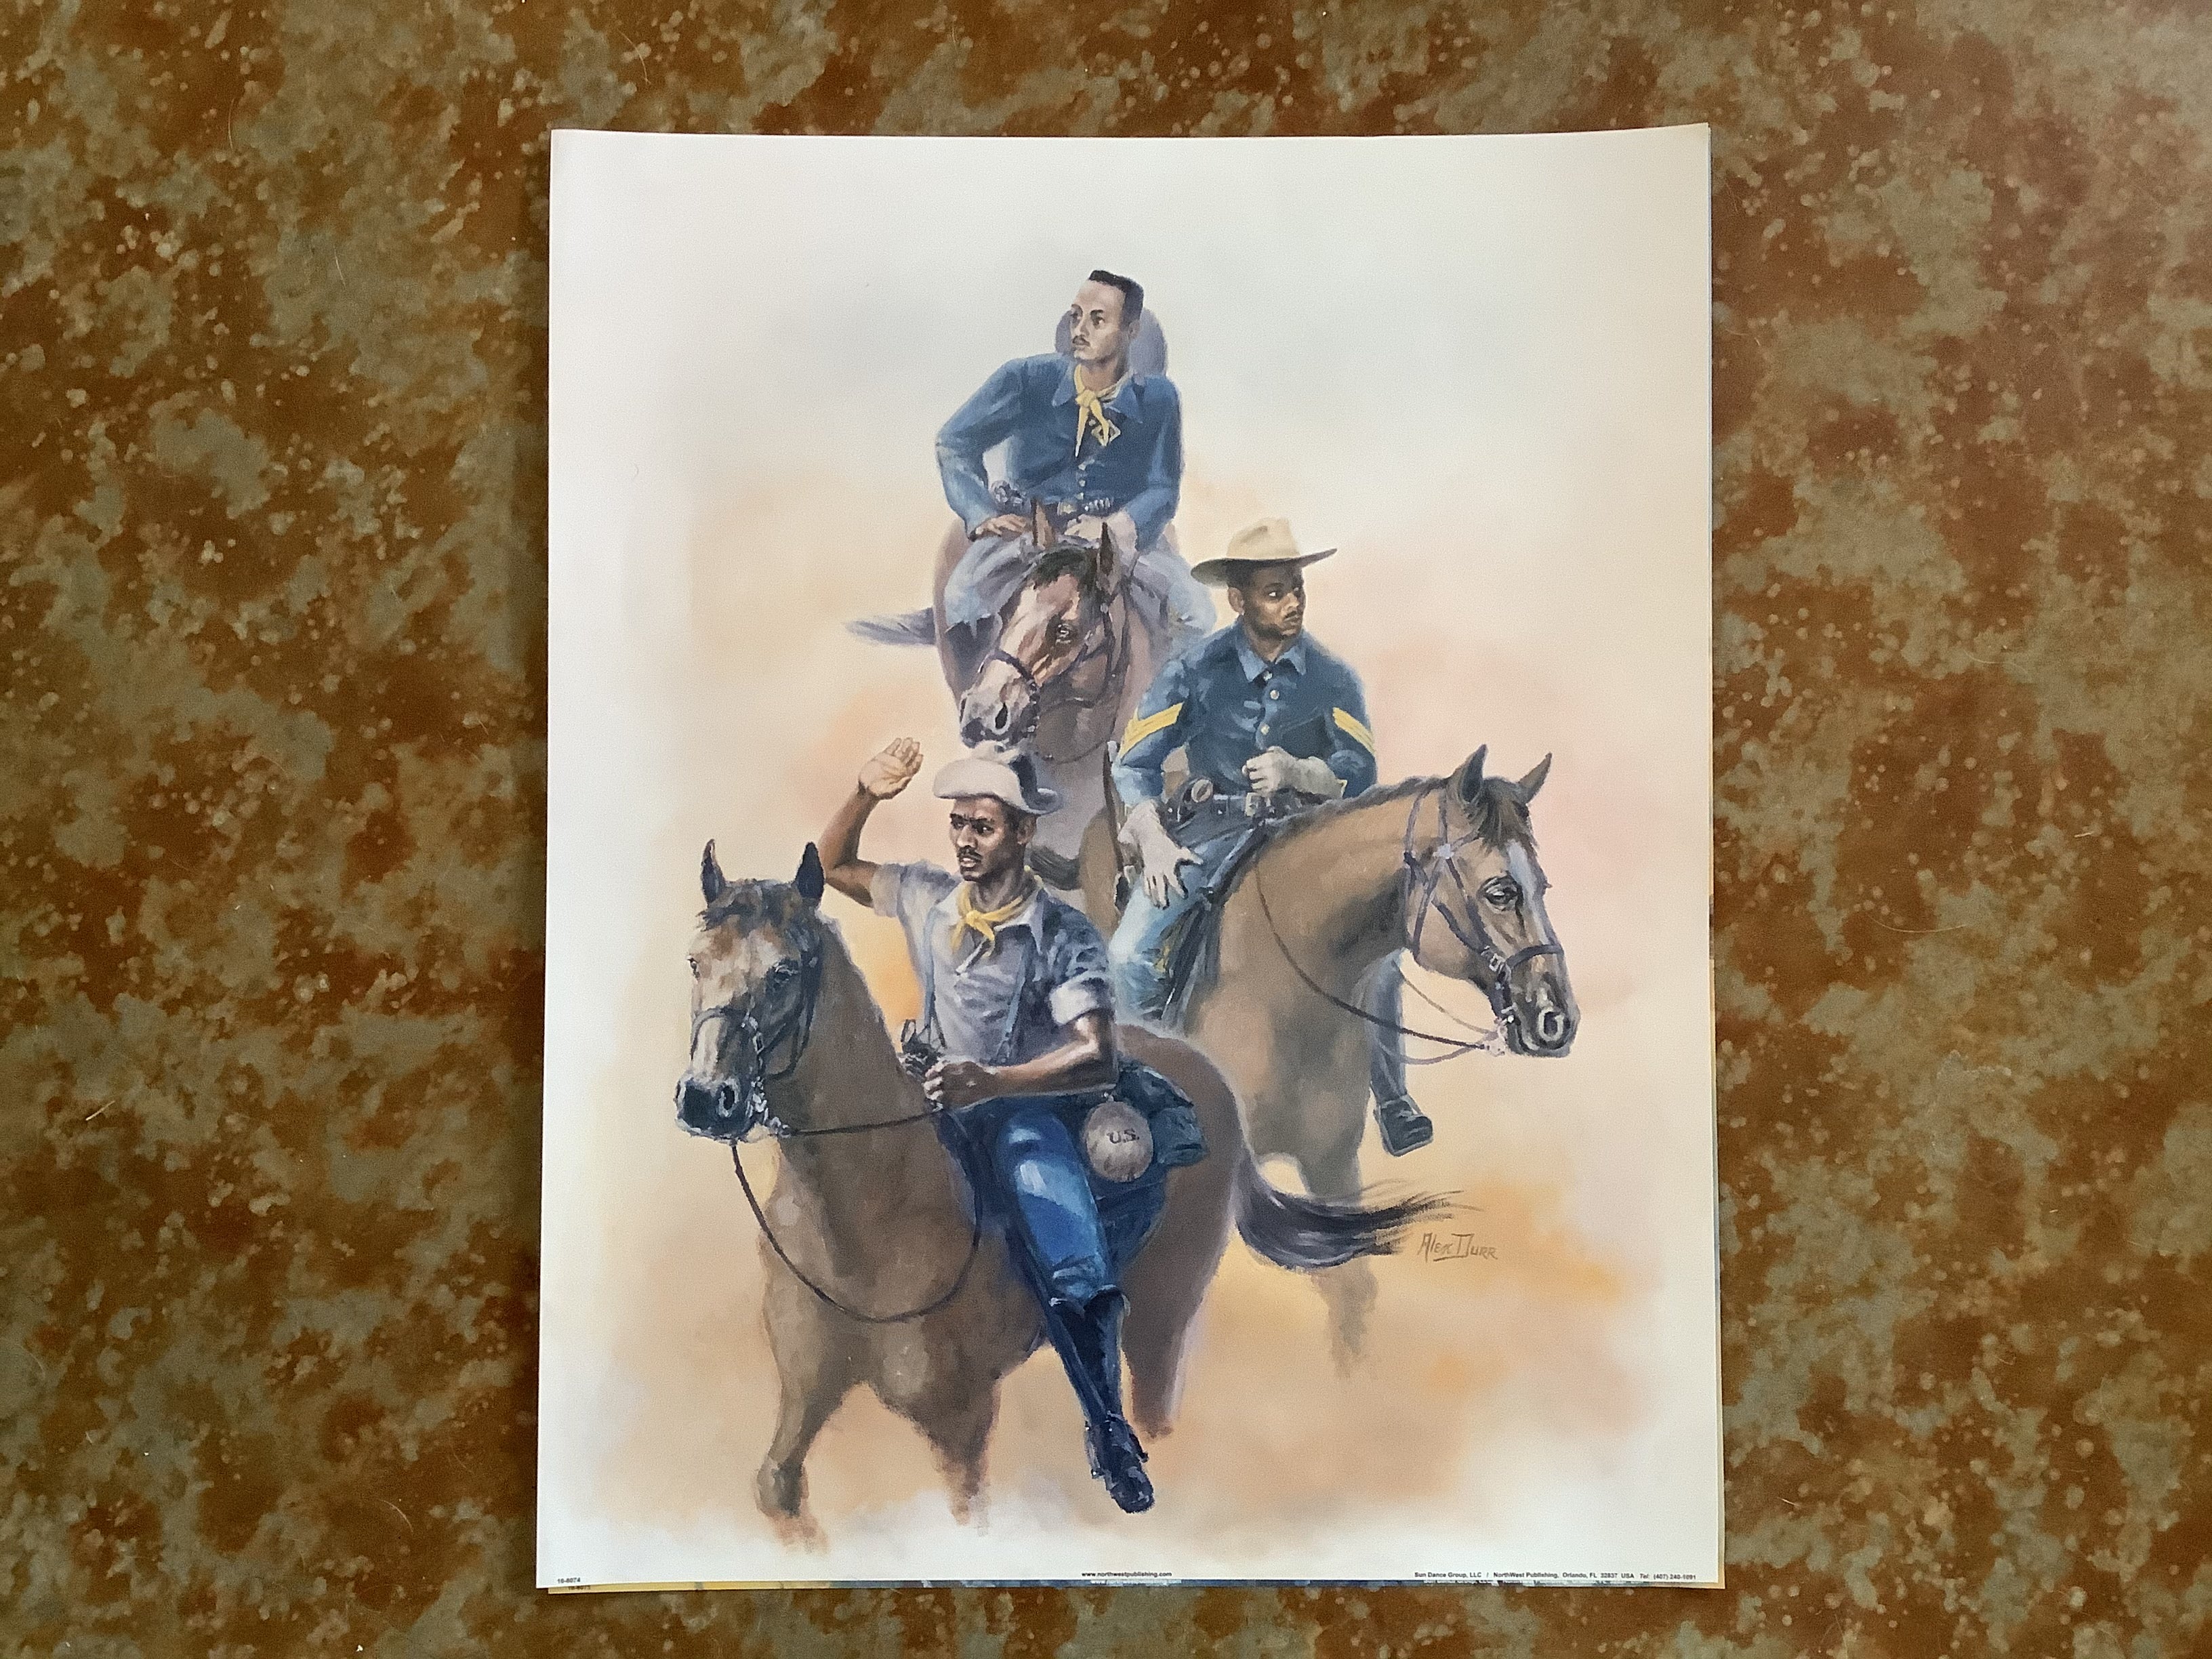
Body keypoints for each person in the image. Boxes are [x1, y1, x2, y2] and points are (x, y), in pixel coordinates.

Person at [817, 737, 1162, 1512]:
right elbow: (832, 864)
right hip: (927, 1104)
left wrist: (995, 1082)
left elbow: (1096, 1055)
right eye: (958, 824)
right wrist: (865, 792)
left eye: (983, 827)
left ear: (1024, 832)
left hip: (1022, 1117)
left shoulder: (1062, 934)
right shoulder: (925, 896)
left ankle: (1108, 1427)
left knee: (1075, 1265)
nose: (965, 841)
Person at [1107, 518, 1435, 1158]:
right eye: (1275, 592)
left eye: (1296, 588)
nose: (1292, 603)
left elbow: (1361, 771)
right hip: (1212, 830)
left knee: (1382, 956)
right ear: (1239, 600)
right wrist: (1153, 838)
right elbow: (1134, 762)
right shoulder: (1196, 670)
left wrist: (1303, 772)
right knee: (1127, 956)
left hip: (1307, 835)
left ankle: (1393, 1098)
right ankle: (1142, 1094)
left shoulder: (1332, 678)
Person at [933, 270, 1212, 674]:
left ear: (1130, 331)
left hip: (1117, 538)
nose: (1080, 330)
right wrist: (980, 513)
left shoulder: (1159, 399)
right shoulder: (1025, 379)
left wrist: (1116, 527)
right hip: (1031, 530)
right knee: (961, 597)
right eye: (1076, 316)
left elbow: (1163, 488)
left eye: (1098, 320)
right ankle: (983, 700)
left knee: (1197, 614)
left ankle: (1159, 701)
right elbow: (954, 441)